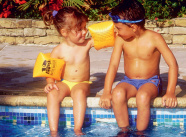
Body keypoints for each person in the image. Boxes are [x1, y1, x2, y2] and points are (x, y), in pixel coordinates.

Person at [99, 0, 178, 133]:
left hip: (150, 81)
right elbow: (113, 65)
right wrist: (107, 92)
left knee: (142, 96)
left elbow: (173, 64)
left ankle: (140, 133)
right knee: (117, 93)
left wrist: (170, 92)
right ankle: (124, 131)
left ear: (133, 27)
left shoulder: (155, 38)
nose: (116, 33)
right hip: (128, 81)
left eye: (118, 28)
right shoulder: (121, 40)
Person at [43, 6, 93, 136]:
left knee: (78, 92)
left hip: (82, 83)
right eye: (79, 29)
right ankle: (53, 131)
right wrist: (50, 82)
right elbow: (50, 71)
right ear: (64, 32)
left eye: (84, 27)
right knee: (52, 94)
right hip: (65, 82)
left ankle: (77, 129)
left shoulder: (86, 44)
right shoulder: (58, 50)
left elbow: (106, 38)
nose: (84, 32)